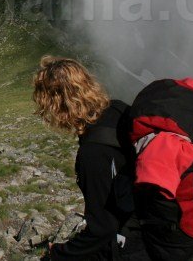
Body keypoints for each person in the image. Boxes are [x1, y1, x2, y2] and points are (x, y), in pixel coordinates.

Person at [31, 56, 147, 261]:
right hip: (154, 223)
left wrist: (56, 255)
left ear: (57, 103)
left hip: (137, 243)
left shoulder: (92, 153)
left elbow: (103, 228)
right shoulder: (117, 108)